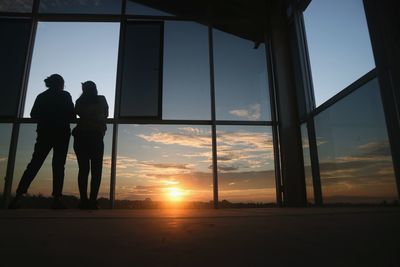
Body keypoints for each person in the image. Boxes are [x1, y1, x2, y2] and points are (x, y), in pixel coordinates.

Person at [9, 74, 75, 209]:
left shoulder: (42, 96)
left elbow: (34, 114)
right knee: (58, 166)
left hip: (44, 133)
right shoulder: (65, 96)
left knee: (35, 163)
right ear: (61, 84)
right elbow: (71, 115)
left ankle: (18, 197)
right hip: (61, 133)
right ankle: (56, 199)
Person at [72, 81, 108, 210]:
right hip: (96, 137)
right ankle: (92, 200)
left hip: (81, 137)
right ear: (95, 89)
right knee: (96, 171)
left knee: (83, 170)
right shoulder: (101, 100)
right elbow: (105, 115)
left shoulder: (79, 102)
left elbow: (78, 114)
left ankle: (83, 200)